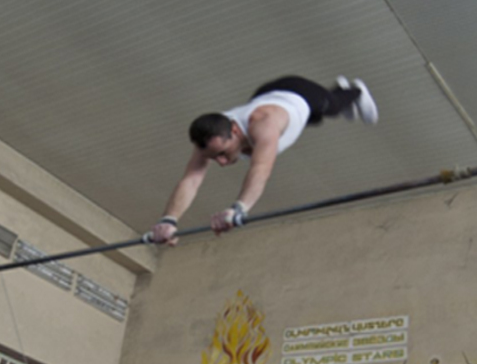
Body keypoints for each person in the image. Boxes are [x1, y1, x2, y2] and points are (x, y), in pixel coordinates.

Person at [149, 75, 378, 245]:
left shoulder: (264, 124)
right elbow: (191, 180)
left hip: (300, 93)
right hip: (267, 95)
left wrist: (239, 209)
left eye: (223, 153)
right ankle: (338, 93)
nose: (221, 162)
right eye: (214, 157)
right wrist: (168, 220)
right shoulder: (209, 138)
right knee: (313, 119)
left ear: (235, 131)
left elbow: (261, 168)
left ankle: (352, 92)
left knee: (330, 107)